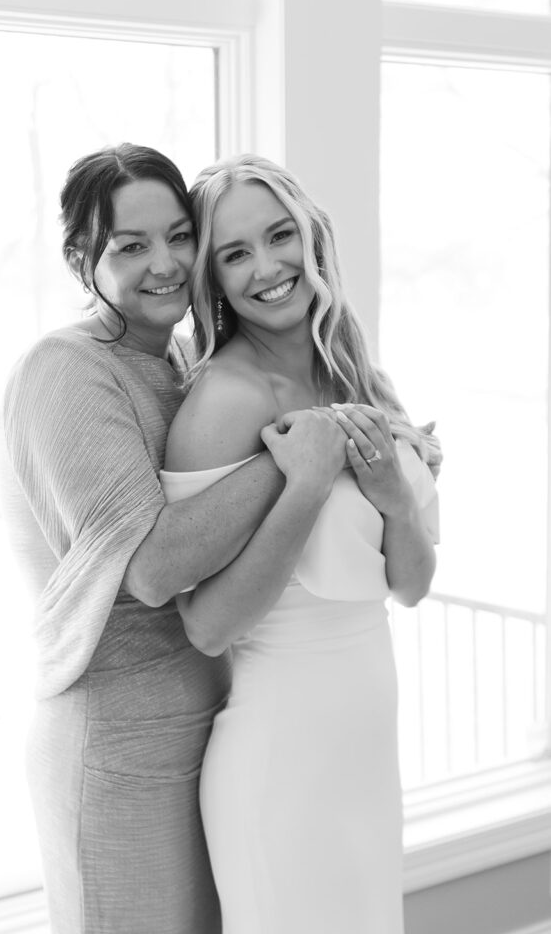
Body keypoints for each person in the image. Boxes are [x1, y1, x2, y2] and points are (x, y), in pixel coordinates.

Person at [0, 143, 351, 934]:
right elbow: (153, 570)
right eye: (130, 246)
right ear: (80, 260)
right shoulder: (66, 369)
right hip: (119, 741)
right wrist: (295, 451)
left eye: (179, 236)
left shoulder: (182, 360)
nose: (164, 263)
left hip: (214, 721)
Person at [161, 153, 440, 934]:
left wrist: (391, 496)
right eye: (234, 253)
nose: (267, 267)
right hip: (281, 753)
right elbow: (206, 626)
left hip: (364, 745)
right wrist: (306, 483)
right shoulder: (224, 400)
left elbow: (410, 587)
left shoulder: (353, 373)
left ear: (310, 236)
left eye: (278, 235)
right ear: (211, 281)